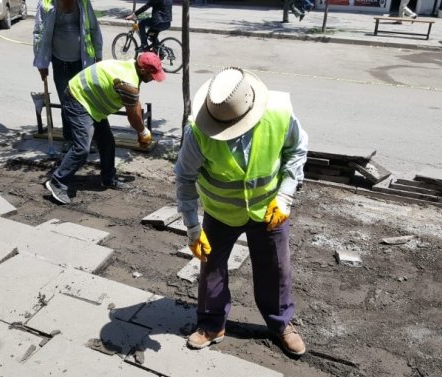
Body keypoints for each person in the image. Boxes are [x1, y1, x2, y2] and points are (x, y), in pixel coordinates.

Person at [174, 67, 309, 357]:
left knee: (276, 267)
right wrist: (193, 229)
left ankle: (280, 323)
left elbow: (296, 151)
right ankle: (211, 324)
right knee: (211, 267)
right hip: (221, 212)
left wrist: (285, 195)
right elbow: (185, 179)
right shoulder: (197, 132)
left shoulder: (279, 114)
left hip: (269, 210)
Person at [44, 53, 166, 205]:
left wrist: (143, 131)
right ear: (143, 70)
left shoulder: (131, 68)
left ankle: (108, 179)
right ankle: (57, 182)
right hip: (77, 99)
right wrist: (143, 132)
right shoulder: (128, 83)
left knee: (107, 143)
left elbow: (135, 102)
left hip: (91, 103)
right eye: (153, 74)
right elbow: (133, 116)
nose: (154, 78)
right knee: (82, 148)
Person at [33, 0, 103, 139]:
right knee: (67, 103)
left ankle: (86, 138)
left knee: (85, 101)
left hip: (82, 62)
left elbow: (94, 28)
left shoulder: (83, 2)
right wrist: (42, 63)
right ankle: (69, 139)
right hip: (60, 63)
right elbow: (39, 33)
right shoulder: (46, 4)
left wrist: (98, 56)